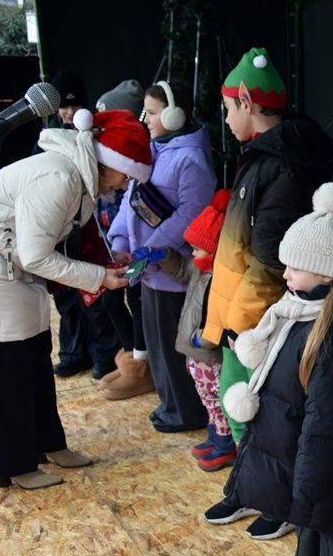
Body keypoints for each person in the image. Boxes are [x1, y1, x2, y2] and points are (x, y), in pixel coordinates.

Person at [0, 109, 149, 489]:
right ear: (107, 163)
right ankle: (12, 465)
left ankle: (48, 443)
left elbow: (72, 240)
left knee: (35, 353)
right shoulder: (58, 178)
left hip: (6, 262)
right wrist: (98, 277)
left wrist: (106, 263)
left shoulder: (78, 177)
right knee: (3, 365)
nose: (126, 184)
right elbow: (36, 256)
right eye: (126, 175)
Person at [200, 47, 333, 540]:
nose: (225, 119)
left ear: (245, 100)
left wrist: (241, 323)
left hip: (259, 317)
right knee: (238, 405)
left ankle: (278, 500)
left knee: (266, 415)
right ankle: (248, 487)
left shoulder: (282, 167)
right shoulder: (263, 158)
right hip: (242, 312)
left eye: (227, 108)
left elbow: (269, 259)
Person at [207, 183, 333, 555]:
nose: (285, 275)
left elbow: (325, 427)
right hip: (298, 471)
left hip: (316, 478)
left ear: (327, 274)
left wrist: (306, 487)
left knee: (330, 539)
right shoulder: (292, 315)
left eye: (295, 267)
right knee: (309, 540)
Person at [107, 80, 217, 432]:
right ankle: (169, 403)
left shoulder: (192, 160)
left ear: (174, 115)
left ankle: (186, 411)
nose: (146, 120)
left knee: (174, 347)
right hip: (148, 269)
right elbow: (130, 200)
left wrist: (152, 247)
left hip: (173, 271)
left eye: (152, 113)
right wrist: (120, 241)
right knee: (156, 344)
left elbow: (191, 213)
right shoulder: (153, 150)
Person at [33, 69, 121, 380]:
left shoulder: (96, 136)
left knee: (94, 295)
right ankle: (73, 353)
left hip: (89, 226)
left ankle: (105, 354)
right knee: (65, 296)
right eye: (64, 107)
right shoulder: (47, 139)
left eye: (75, 106)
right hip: (59, 229)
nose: (69, 113)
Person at [156, 189, 236, 470]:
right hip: (196, 351)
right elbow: (182, 269)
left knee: (216, 399)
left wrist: (206, 339)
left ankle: (225, 445)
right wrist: (163, 255)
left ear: (213, 250)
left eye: (197, 249)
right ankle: (215, 437)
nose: (192, 253)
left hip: (208, 352)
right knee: (207, 398)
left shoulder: (222, 280)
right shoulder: (201, 270)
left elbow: (222, 317)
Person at [95, 80, 152, 399]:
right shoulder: (109, 163)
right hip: (119, 247)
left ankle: (141, 368)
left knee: (137, 301)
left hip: (141, 252)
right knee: (112, 301)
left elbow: (133, 208)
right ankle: (131, 358)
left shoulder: (134, 167)